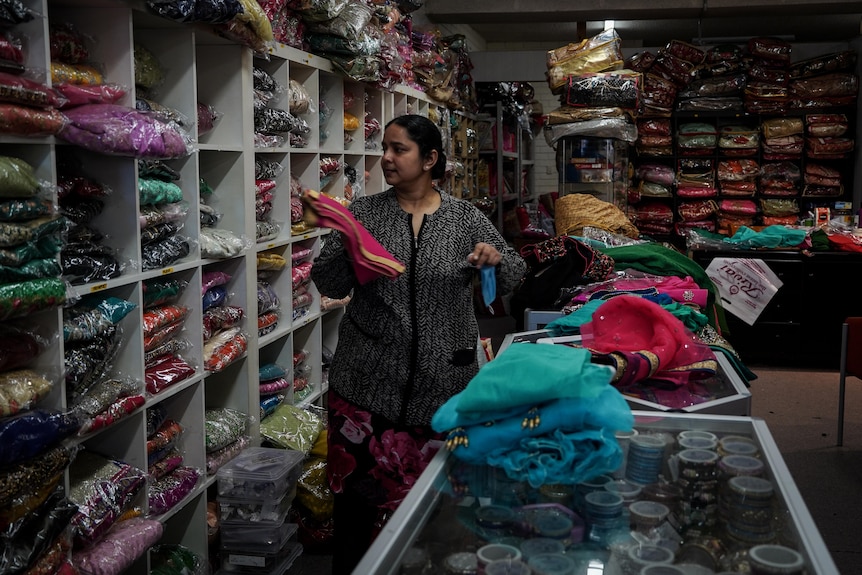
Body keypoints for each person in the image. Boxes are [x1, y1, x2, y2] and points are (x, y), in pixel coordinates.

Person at [311, 114, 527, 573]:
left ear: (430, 159)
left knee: (437, 511)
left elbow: (513, 276)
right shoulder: (364, 213)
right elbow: (326, 282)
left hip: (443, 389)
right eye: (384, 148)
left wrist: (493, 259)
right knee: (356, 514)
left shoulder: (464, 217)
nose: (386, 158)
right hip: (366, 389)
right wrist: (349, 245)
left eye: (399, 149)